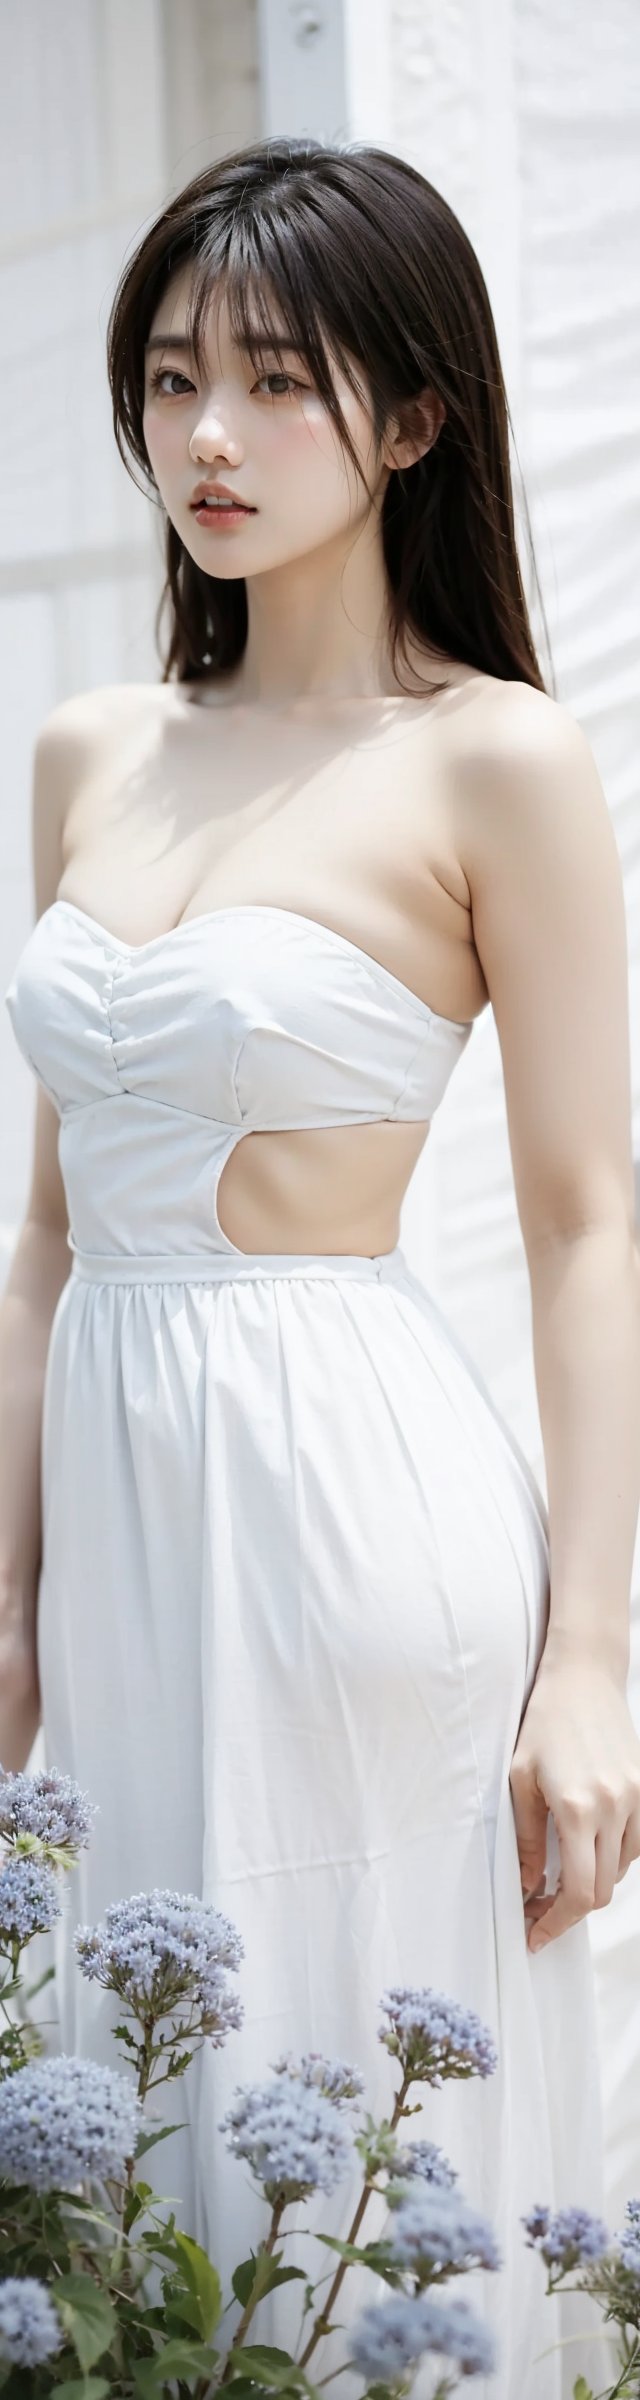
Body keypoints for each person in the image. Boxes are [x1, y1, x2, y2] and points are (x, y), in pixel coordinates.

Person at [2, 135, 640, 2399]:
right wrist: (6, 1604)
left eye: (275, 381)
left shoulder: (494, 764)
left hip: (357, 1519)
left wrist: (593, 1661)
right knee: (135, 2101)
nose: (205, 436)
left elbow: (585, 1219)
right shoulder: (93, 750)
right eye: (170, 378)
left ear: (411, 416)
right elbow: (50, 1232)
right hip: (122, 1523)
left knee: (352, 2112)